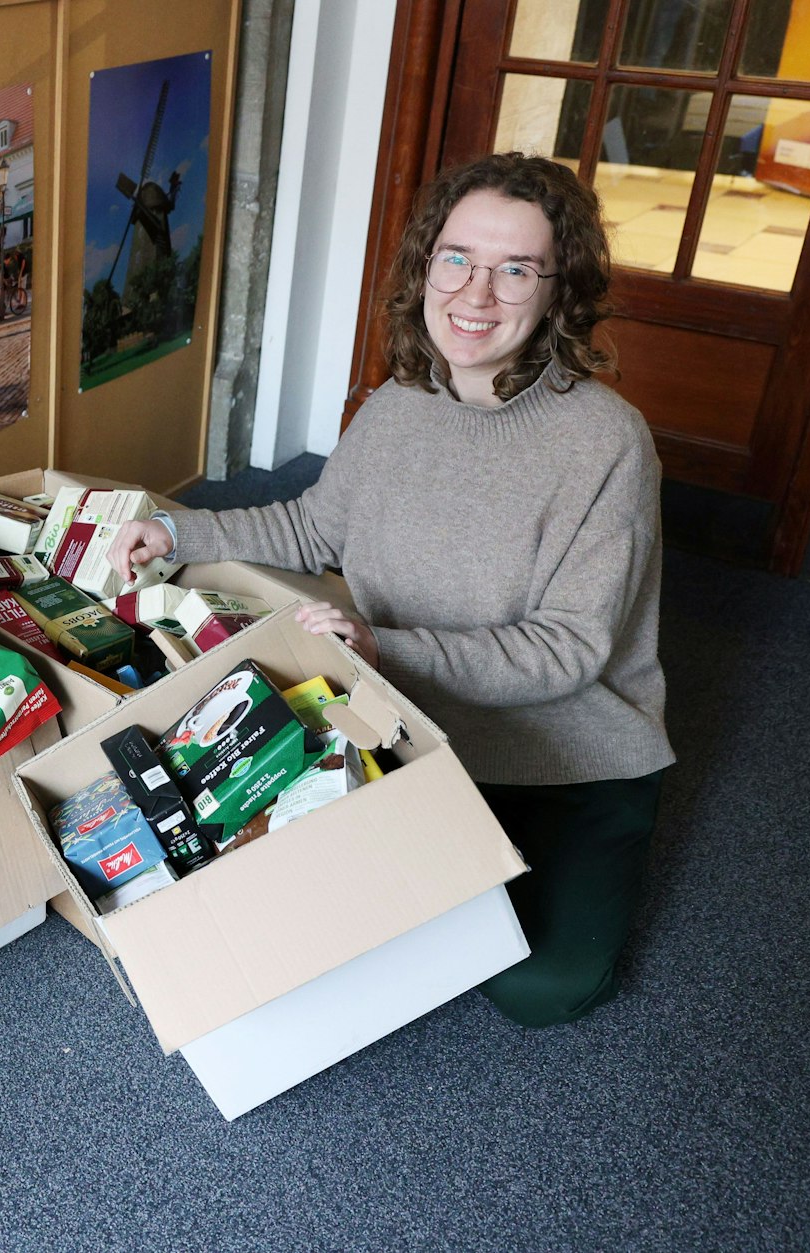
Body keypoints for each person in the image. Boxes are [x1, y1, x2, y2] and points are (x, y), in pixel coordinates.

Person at [109, 152, 675, 1029]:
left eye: (515, 269)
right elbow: (311, 527)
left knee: (538, 986)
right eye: (456, 259)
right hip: (406, 719)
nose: (474, 295)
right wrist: (178, 531)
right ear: (425, 265)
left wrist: (384, 651)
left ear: (560, 290)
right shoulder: (401, 400)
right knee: (301, 911)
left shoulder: (609, 442)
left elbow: (570, 647)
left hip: (565, 754)